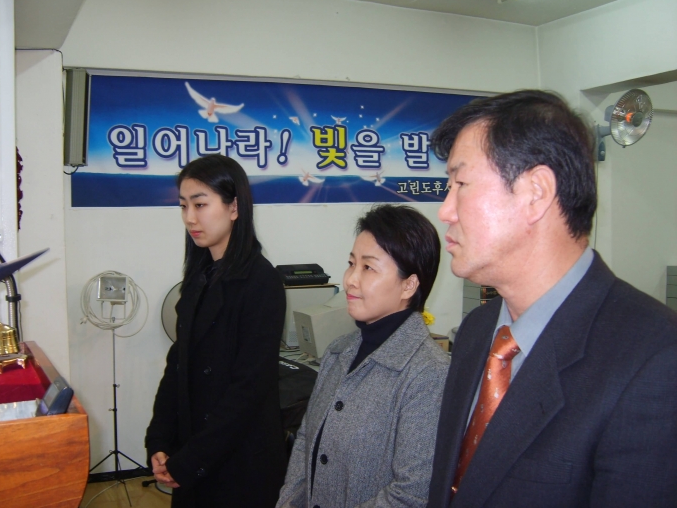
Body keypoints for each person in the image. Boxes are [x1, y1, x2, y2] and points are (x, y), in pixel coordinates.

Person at [426, 90, 677, 507]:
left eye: (461, 184)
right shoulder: (476, 332)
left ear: (536, 193)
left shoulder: (654, 360)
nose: (445, 210)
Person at [277, 204, 450, 508]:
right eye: (351, 263)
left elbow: (412, 494)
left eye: (368, 268)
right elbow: (306, 441)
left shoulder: (429, 374)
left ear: (409, 285)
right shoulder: (338, 351)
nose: (350, 279)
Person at [145, 154, 287, 507]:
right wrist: (160, 439)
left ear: (234, 207)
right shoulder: (198, 278)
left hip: (238, 461)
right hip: (194, 453)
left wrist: (192, 459)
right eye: (183, 206)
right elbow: (177, 366)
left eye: (200, 204)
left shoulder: (262, 282)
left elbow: (248, 390)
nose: (190, 218)